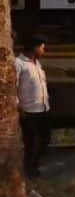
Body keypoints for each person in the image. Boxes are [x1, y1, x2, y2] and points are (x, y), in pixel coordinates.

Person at [15, 35, 51, 178]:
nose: (44, 50)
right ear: (34, 48)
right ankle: (30, 170)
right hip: (29, 111)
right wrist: (18, 107)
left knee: (45, 139)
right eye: (42, 47)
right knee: (31, 143)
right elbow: (13, 87)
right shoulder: (18, 63)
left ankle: (33, 166)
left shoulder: (37, 64)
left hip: (43, 109)